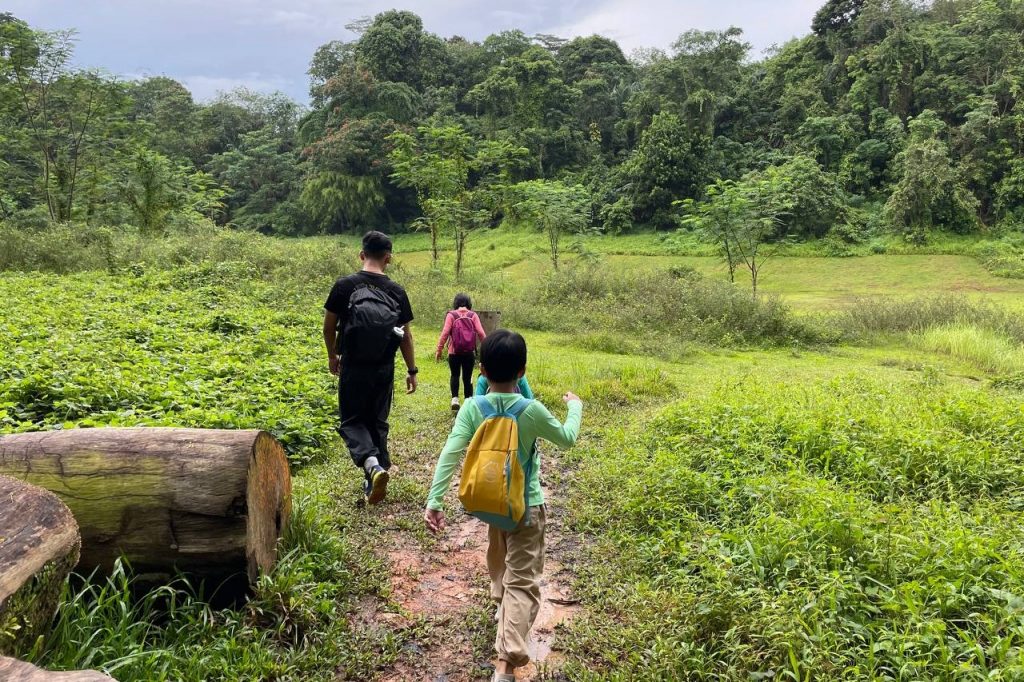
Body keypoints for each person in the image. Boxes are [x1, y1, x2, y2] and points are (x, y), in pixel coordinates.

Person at [423, 330, 583, 682]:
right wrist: (575, 407)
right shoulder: (532, 411)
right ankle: (505, 666)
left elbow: (451, 453)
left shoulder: (471, 407)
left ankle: (501, 607)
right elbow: (568, 439)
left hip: (490, 505)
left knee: (499, 557)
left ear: (481, 370)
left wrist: (435, 501)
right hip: (525, 508)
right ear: (522, 371)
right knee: (523, 582)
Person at [323, 231, 417, 506]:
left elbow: (329, 327)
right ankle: (375, 473)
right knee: (377, 420)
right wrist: (412, 370)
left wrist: (332, 356)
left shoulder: (344, 286)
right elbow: (406, 336)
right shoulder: (397, 292)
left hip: (353, 365)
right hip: (383, 368)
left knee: (352, 420)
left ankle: (373, 467)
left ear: (361, 254)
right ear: (388, 258)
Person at [435, 293, 487, 411]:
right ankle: (468, 402)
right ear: (468, 303)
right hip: (469, 352)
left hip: (454, 352)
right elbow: (481, 333)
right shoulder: (473, 315)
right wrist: (488, 348)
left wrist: (439, 349)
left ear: (456, 303)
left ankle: (455, 399)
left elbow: (445, 333)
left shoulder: (451, 315)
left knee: (455, 375)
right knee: (467, 376)